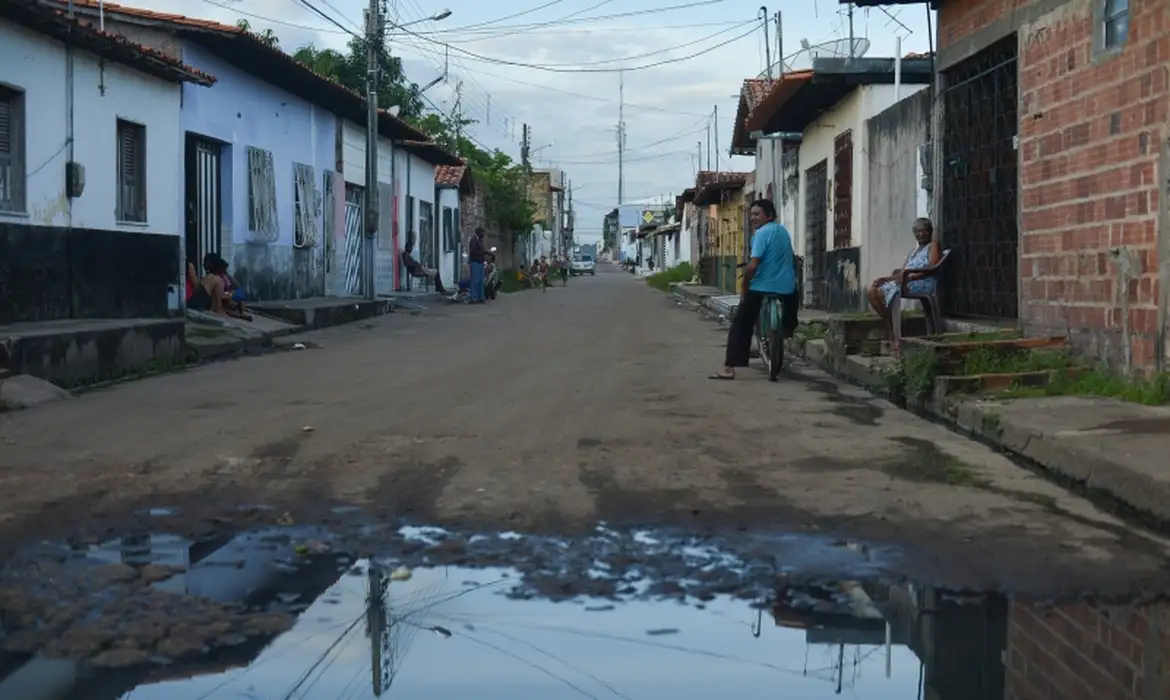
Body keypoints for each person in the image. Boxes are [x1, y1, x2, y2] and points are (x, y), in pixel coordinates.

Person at [710, 199, 797, 380]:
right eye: (751, 215)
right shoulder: (783, 231)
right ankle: (787, 329)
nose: (753, 218)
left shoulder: (761, 234)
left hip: (761, 286)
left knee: (741, 323)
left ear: (769, 216)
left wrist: (744, 287)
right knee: (793, 300)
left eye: (757, 214)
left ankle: (728, 368)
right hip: (786, 287)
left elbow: (753, 265)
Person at [866, 217, 941, 349]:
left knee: (881, 294)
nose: (921, 234)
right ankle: (891, 326)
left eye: (924, 230)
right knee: (872, 291)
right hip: (907, 281)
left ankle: (896, 335)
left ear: (930, 232)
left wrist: (913, 276)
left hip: (923, 282)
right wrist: (886, 279)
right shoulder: (914, 251)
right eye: (918, 231)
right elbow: (902, 272)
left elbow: (932, 266)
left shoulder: (933, 244)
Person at [468, 226, 487, 303]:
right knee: (475, 281)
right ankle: (474, 297)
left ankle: (481, 297)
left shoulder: (480, 240)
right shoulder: (473, 240)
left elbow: (482, 249)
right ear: (478, 233)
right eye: (482, 233)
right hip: (475, 262)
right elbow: (473, 251)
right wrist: (482, 252)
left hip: (480, 262)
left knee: (481, 281)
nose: (483, 234)